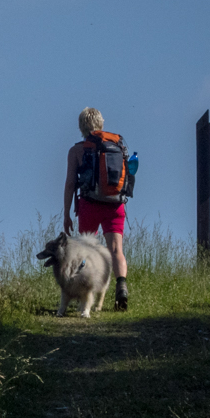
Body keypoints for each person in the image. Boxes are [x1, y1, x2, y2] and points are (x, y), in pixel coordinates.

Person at [63, 107, 129, 310]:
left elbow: (70, 184)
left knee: (85, 251)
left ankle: (85, 296)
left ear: (81, 126)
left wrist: (66, 213)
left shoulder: (77, 150)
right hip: (115, 203)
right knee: (116, 249)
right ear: (101, 124)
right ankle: (121, 287)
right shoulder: (116, 146)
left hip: (89, 204)